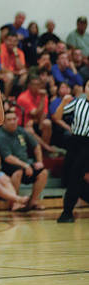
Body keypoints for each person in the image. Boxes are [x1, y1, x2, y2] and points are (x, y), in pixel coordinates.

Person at [0, 109, 49, 211]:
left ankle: (33, 202)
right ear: (3, 122)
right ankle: (14, 203)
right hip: (9, 166)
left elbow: (36, 146)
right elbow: (7, 157)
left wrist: (39, 161)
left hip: (26, 164)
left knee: (43, 173)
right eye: (9, 119)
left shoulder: (20, 130)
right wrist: (25, 165)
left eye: (14, 119)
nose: (12, 121)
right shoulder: (1, 136)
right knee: (18, 172)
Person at [54, 80, 89, 222]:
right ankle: (68, 210)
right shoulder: (78, 103)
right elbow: (56, 117)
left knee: (76, 176)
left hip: (87, 144)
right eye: (88, 86)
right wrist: (63, 102)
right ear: (84, 88)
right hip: (75, 142)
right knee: (71, 177)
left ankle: (67, 212)